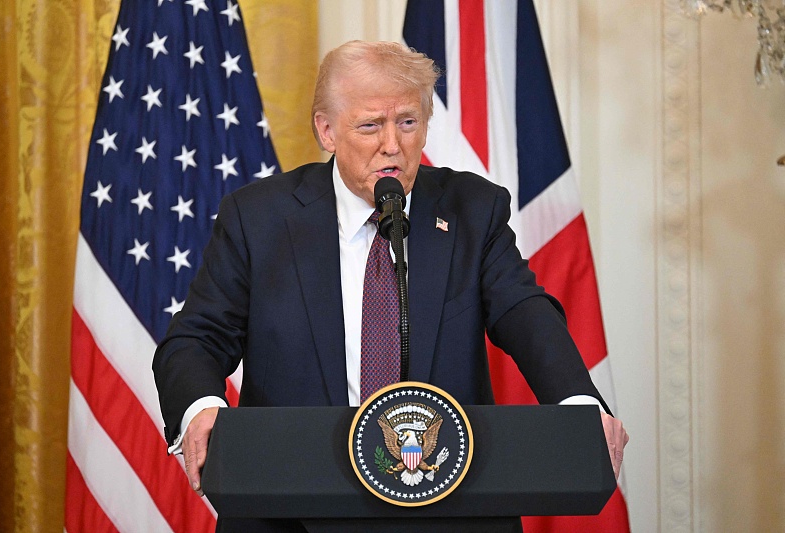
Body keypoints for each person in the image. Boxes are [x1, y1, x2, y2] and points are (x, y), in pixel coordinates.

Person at [153, 40, 628, 530]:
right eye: (369, 125)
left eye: (407, 122)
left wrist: (579, 405)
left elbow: (525, 312)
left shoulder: (471, 209)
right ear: (327, 130)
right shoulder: (259, 217)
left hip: (449, 505)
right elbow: (196, 339)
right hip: (291, 512)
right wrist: (200, 409)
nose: (392, 146)